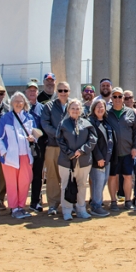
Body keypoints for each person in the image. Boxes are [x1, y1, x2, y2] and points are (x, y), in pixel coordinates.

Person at [0, 91, 37, 219]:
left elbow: (36, 134)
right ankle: (14, 208)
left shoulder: (29, 118)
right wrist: (4, 152)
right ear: (11, 103)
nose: (18, 103)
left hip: (25, 155)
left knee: (25, 182)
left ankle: (21, 206)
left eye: (21, 101)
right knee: (12, 183)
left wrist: (33, 138)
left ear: (24, 103)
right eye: (16, 101)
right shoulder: (5, 118)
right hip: (10, 157)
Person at [56, 98, 97, 221]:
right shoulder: (63, 124)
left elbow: (93, 139)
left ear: (81, 110)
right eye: (72, 108)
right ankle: (67, 210)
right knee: (65, 185)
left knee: (82, 185)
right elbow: (59, 140)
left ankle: (81, 209)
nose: (75, 110)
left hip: (84, 161)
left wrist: (82, 150)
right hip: (66, 161)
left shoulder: (87, 123)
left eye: (77, 108)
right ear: (68, 110)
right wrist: (70, 153)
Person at [106, 87, 136, 211]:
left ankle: (128, 200)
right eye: (114, 96)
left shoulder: (131, 113)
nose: (117, 99)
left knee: (127, 176)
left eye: (120, 96)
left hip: (127, 151)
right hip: (112, 153)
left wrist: (135, 147)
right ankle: (113, 201)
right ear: (111, 98)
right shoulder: (107, 113)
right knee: (112, 176)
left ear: (123, 98)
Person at [40, 82, 70, 214]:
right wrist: (59, 134)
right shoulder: (49, 106)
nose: (62, 93)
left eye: (65, 90)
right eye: (60, 90)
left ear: (69, 91)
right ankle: (53, 204)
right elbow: (45, 124)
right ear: (57, 92)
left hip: (69, 147)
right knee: (52, 176)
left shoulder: (73, 105)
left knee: (69, 176)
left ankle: (68, 202)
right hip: (53, 145)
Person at [88, 98, 114, 216]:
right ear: (93, 109)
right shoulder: (90, 122)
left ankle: (97, 203)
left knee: (102, 181)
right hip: (97, 159)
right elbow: (93, 142)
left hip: (107, 158)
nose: (100, 109)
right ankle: (96, 206)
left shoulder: (106, 122)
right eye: (97, 106)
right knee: (97, 182)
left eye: (102, 107)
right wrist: (98, 157)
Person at [26, 80, 48, 213]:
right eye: (30, 90)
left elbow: (45, 125)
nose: (32, 92)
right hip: (23, 145)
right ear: (26, 92)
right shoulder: (20, 107)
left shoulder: (43, 108)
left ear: (37, 92)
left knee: (37, 175)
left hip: (39, 146)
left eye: (34, 90)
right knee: (23, 174)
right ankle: (19, 202)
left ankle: (35, 201)